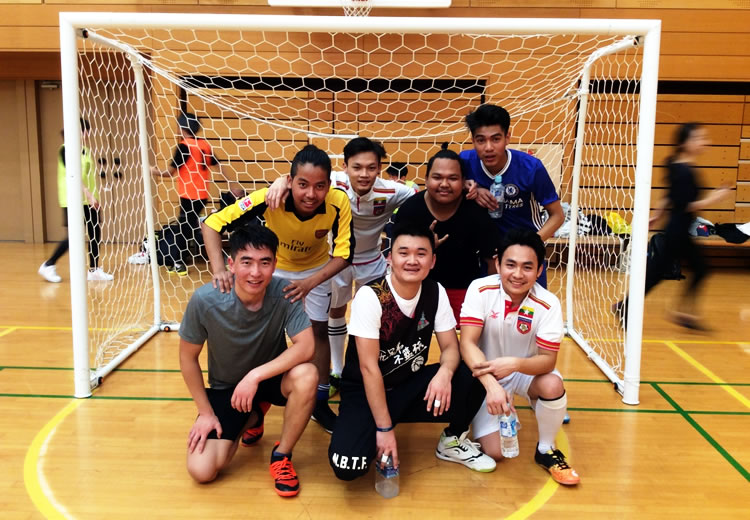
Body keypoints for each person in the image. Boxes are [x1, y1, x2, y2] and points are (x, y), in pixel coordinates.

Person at [202, 144, 354, 434]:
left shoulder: (338, 202)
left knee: (318, 332)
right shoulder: (269, 197)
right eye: (303, 184)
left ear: (329, 185)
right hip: (273, 268)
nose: (311, 194)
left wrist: (309, 283)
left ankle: (320, 401)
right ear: (290, 181)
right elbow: (211, 224)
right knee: (257, 331)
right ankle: (252, 404)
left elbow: (344, 255)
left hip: (315, 271)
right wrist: (219, 269)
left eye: (320, 186)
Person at [328, 223, 496, 482]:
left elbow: (451, 347)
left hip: (407, 386)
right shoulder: (371, 296)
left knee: (472, 373)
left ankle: (452, 439)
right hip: (365, 390)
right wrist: (384, 429)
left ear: (433, 260)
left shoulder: (435, 291)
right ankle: (372, 423)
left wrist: (444, 372)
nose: (412, 260)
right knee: (348, 467)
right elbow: (369, 369)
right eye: (403, 252)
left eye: (421, 253)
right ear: (389, 257)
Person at [265, 138, 417, 396]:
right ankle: (337, 370)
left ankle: (379, 370)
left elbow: (423, 198)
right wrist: (280, 180)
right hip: (335, 262)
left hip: (372, 261)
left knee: (381, 317)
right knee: (335, 312)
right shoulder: (330, 183)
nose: (364, 174)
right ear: (345, 167)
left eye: (371, 167)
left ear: (380, 168)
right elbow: (300, 177)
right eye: (357, 167)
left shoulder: (394, 191)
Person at [179, 225, 317, 497]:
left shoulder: (285, 293)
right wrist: (206, 413)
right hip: (228, 388)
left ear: (274, 264)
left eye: (264, 262)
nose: (256, 272)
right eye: (246, 262)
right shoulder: (205, 300)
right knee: (201, 470)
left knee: (308, 374)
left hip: (270, 380)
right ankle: (253, 415)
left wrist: (254, 376)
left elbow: (307, 346)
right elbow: (187, 358)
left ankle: (281, 455)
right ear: (231, 264)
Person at [459, 228, 580, 486]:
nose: (517, 274)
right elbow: (467, 343)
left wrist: (514, 364)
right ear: (497, 264)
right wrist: (492, 386)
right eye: (510, 265)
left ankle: (546, 449)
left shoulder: (548, 303)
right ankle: (500, 407)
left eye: (527, 267)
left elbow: (547, 361)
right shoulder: (480, 289)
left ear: (539, 270)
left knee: (553, 384)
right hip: (484, 375)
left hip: (524, 372)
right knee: (496, 453)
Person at [612, 123, 731, 330]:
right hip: (678, 231)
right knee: (688, 270)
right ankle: (679, 312)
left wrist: (657, 215)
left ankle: (627, 307)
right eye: (699, 138)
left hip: (677, 229)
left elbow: (669, 195)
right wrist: (715, 198)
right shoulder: (684, 172)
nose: (704, 142)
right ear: (685, 143)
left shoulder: (676, 165)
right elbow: (684, 205)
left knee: (666, 273)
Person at [460, 103, 564, 288]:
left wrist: (530, 244)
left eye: (496, 139)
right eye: (481, 140)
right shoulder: (465, 161)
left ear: (507, 137)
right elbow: (441, 186)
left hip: (524, 255)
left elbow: (557, 215)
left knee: (531, 306)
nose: (488, 147)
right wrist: (466, 186)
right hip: (483, 254)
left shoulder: (531, 168)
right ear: (473, 140)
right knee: (486, 305)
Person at [393, 145, 500, 323]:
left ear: (464, 181)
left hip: (464, 292)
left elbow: (491, 261)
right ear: (426, 179)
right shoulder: (409, 210)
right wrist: (426, 249)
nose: (444, 184)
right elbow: (397, 259)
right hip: (418, 289)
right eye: (437, 177)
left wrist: (490, 303)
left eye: (452, 178)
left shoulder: (476, 212)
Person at [38, 118, 113, 283]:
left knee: (95, 233)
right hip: (72, 200)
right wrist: (89, 195)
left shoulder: (85, 150)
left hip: (89, 201)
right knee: (73, 237)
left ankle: (94, 270)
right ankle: (48, 265)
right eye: (84, 130)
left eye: (87, 130)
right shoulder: (65, 150)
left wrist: (93, 197)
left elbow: (88, 177)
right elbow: (73, 175)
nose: (87, 133)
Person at [150, 112, 224, 276]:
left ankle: (179, 263)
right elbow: (219, 165)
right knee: (188, 227)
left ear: (182, 127)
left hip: (189, 195)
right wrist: (231, 182)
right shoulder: (204, 145)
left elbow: (170, 172)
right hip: (202, 195)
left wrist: (154, 171)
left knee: (183, 229)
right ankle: (183, 260)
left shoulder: (184, 146)